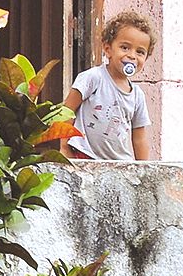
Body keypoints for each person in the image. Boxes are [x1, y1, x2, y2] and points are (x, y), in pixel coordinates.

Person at [64, 10, 154, 162]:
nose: (132, 55)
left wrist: (145, 169)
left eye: (140, 52)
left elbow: (139, 138)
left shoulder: (137, 96)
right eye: (125, 47)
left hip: (119, 163)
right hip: (84, 155)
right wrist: (64, 148)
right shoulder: (93, 78)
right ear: (108, 49)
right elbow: (67, 110)